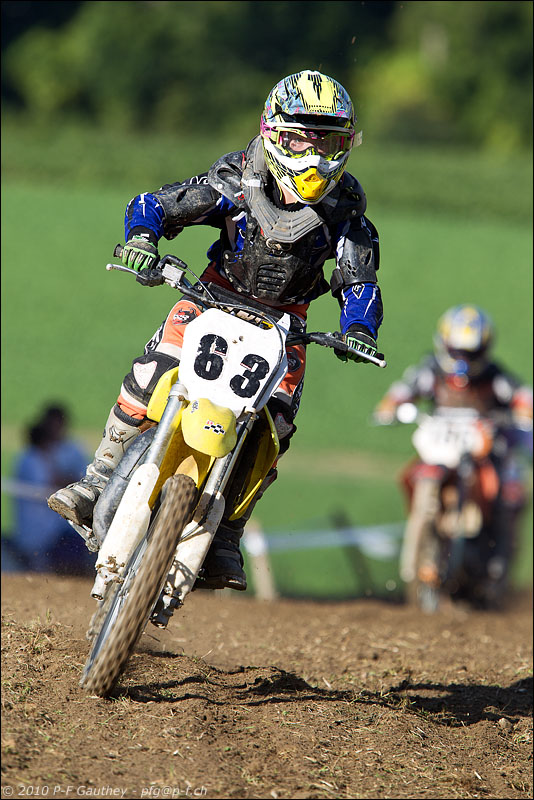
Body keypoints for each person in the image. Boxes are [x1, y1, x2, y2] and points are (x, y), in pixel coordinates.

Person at [48, 69, 384, 591]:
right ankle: (97, 481)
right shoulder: (237, 179)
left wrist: (359, 327)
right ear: (273, 132)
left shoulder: (346, 214)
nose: (315, 156)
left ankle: (227, 531)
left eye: (329, 143)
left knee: (276, 426)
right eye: (303, 139)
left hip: (285, 325)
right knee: (150, 375)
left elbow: (359, 280)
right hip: (211, 298)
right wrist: (143, 239)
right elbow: (159, 204)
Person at [374, 304, 533, 602]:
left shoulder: (493, 376)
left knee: (506, 492)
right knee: (412, 475)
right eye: (457, 350)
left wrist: (523, 410)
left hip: (481, 452)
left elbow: (521, 395)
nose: (462, 359)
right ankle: (419, 565)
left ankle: (496, 568)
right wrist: (390, 405)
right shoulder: (431, 371)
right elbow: (403, 390)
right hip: (440, 448)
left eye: (470, 353)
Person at [12, 404, 93, 574]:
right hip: (41, 530)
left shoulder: (71, 449)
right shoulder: (31, 458)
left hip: (60, 529)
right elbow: (53, 484)